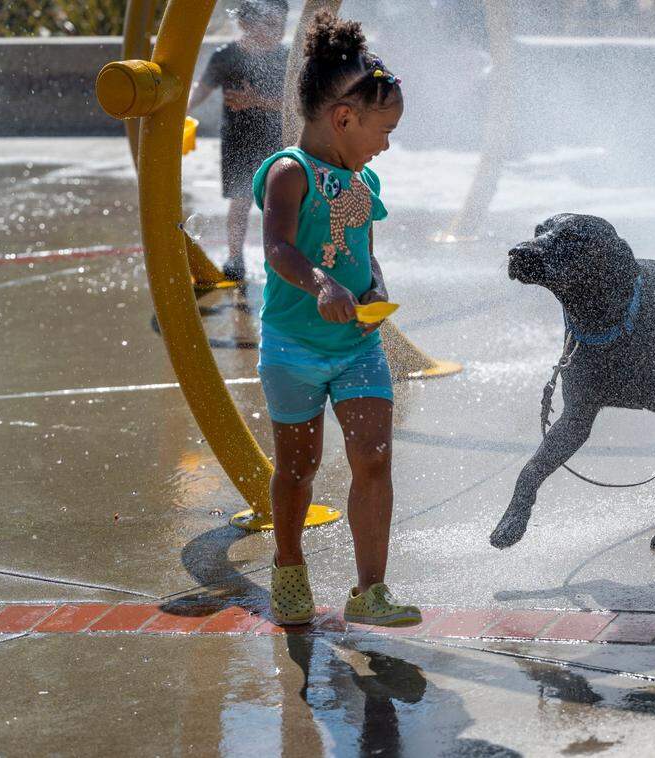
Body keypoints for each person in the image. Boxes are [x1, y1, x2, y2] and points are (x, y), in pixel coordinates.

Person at [253, 12, 419, 627]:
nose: (385, 144)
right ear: (343, 118)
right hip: (294, 346)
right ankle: (289, 565)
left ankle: (369, 589)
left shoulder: (362, 180)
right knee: (299, 467)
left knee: (373, 455)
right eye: (384, 129)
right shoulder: (290, 170)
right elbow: (276, 248)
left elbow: (363, 253)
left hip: (355, 346)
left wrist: (372, 288)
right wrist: (320, 282)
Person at [188, 0, 289, 283]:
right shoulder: (226, 57)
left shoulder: (286, 58)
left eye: (280, 25)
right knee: (240, 201)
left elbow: (297, 105)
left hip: (278, 142)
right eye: (269, 24)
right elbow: (200, 90)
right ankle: (235, 258)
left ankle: (282, 259)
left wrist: (259, 101)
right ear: (245, 24)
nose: (277, 32)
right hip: (238, 140)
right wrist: (177, 113)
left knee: (280, 203)